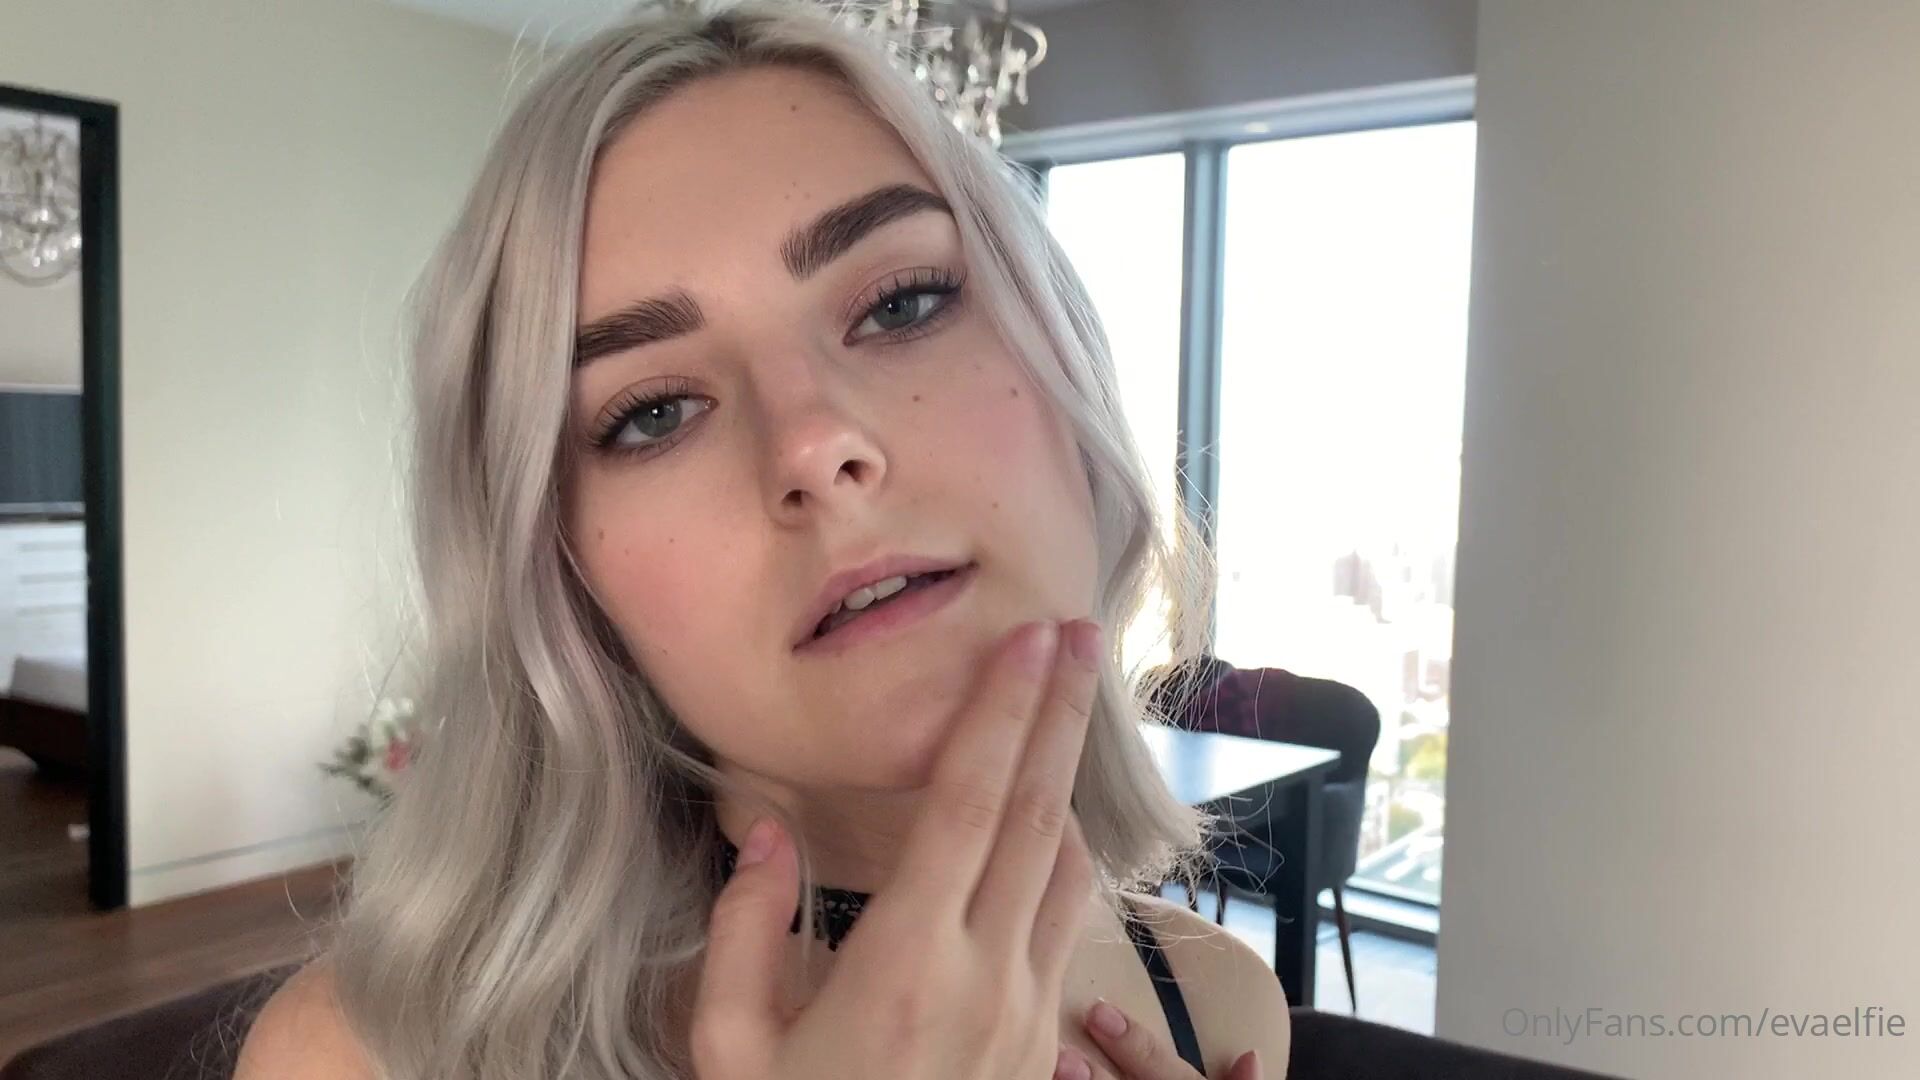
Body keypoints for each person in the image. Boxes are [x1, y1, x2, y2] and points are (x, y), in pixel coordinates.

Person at [236, 2, 1291, 1077]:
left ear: (1067, 363)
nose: (814, 444)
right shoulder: (354, 1059)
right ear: (564, 574)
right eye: (654, 413)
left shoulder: (1222, 1004)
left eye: (901, 305)